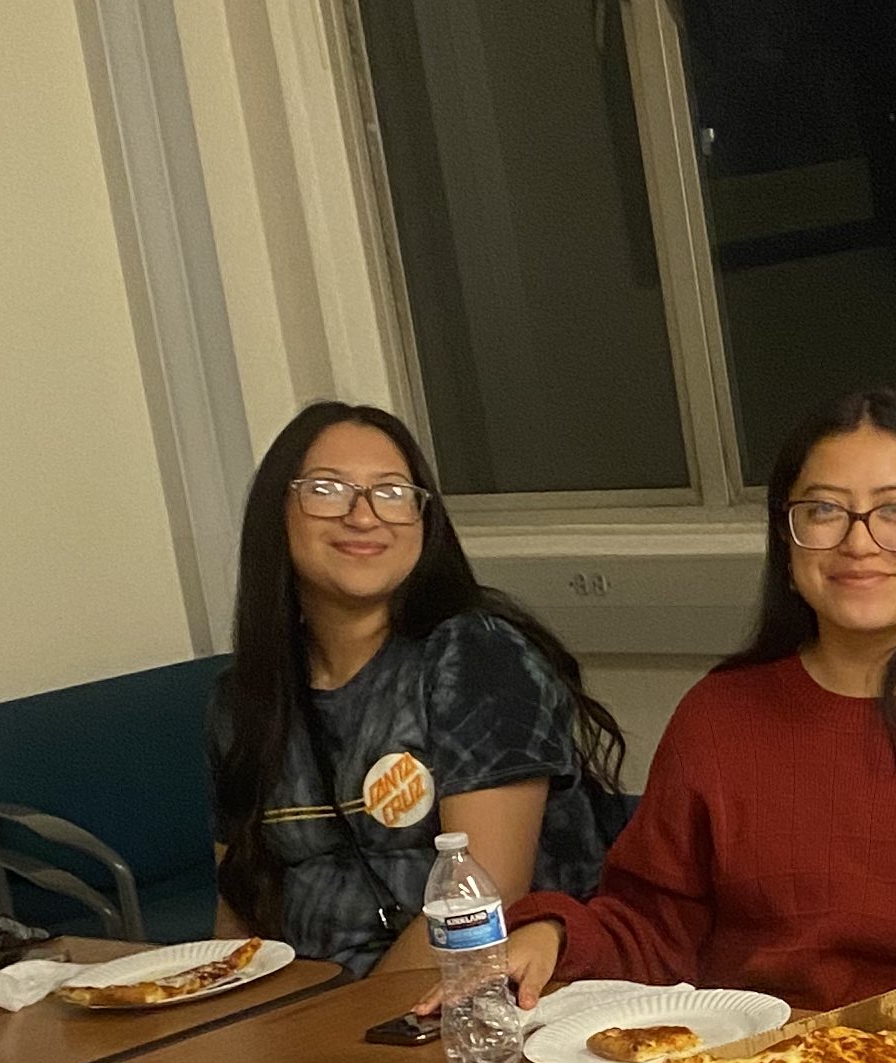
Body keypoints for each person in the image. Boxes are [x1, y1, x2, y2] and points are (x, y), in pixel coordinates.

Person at [485, 384, 896, 1012]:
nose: (859, 542)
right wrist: (556, 937)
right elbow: (653, 928)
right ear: (787, 539)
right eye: (824, 510)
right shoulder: (719, 718)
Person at [208, 402, 623, 975]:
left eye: (393, 492)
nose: (363, 516)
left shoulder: (478, 660)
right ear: (276, 511)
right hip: (302, 1020)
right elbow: (238, 913)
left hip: (484, 1007)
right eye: (327, 489)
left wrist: (338, 1035)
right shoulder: (244, 699)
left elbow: (477, 910)